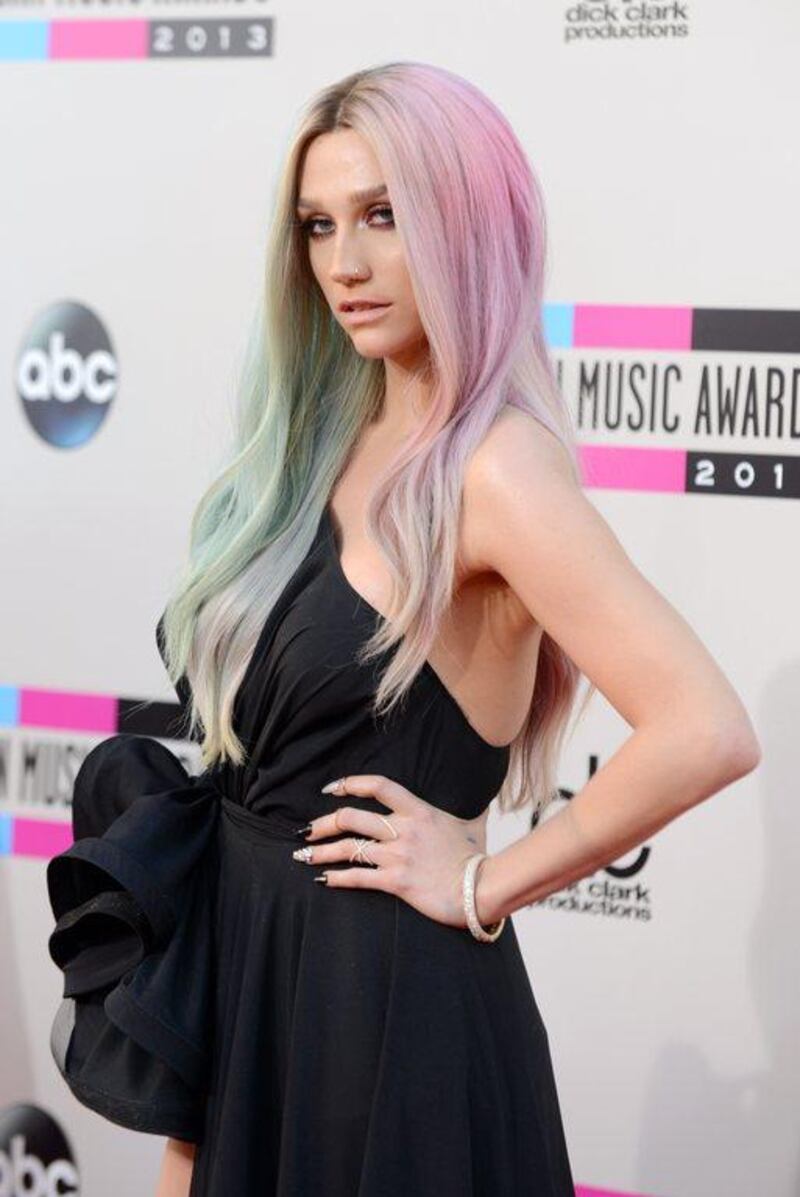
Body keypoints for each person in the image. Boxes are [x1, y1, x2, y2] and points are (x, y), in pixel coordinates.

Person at [45, 61, 761, 1197]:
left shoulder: (497, 473)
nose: (343, 262)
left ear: (467, 223)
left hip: (387, 1026)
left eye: (384, 215)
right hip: (256, 1001)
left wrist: (485, 884)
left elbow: (705, 727)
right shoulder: (310, 446)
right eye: (319, 225)